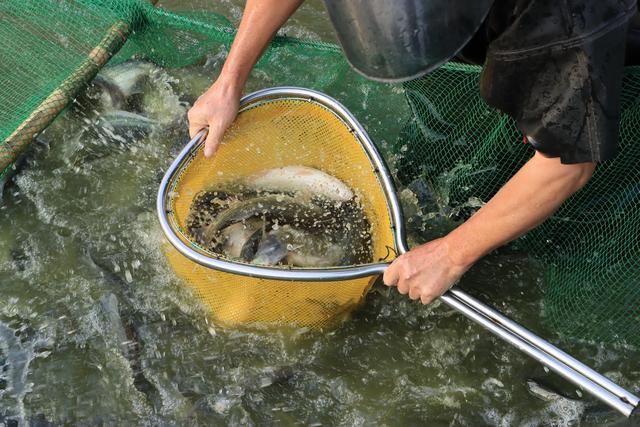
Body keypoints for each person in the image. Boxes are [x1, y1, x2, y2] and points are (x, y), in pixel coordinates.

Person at [187, 0, 638, 304]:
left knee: (579, 167)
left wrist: (453, 253)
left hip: (594, 30)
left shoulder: (567, 19)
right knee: (444, 141)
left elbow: (569, 163)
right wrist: (229, 81)